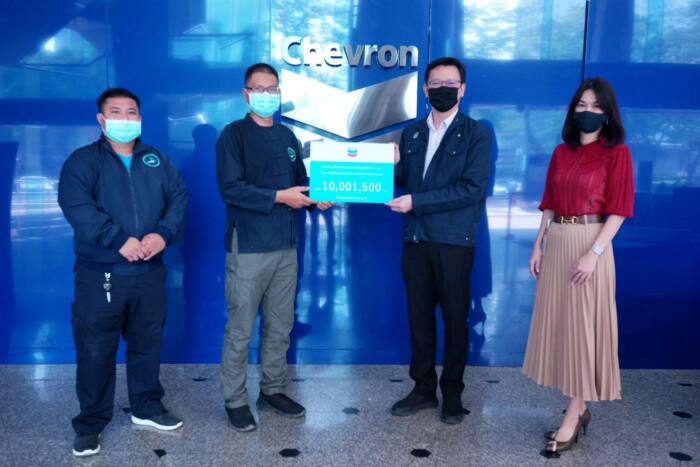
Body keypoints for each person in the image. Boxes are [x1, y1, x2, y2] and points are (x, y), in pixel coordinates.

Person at [58, 88, 188, 457]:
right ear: (101, 119)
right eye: (116, 112)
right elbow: (77, 207)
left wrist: (162, 235)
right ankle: (90, 423)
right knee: (95, 349)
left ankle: (146, 407)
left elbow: (178, 198)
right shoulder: (83, 162)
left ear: (140, 118)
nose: (125, 118)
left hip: (149, 270)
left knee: (147, 342)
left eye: (132, 112)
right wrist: (118, 240)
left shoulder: (156, 159)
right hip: (102, 273)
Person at [216, 63, 333, 432]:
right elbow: (231, 189)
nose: (266, 95)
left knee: (280, 325)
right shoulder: (233, 135)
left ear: (279, 93)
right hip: (249, 245)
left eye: (272, 89)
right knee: (241, 328)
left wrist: (319, 196)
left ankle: (272, 390)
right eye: (259, 89)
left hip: (285, 244)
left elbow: (301, 184)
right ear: (246, 94)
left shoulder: (287, 137)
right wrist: (281, 197)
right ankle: (235, 400)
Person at [522, 77, 634, 454]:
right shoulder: (561, 152)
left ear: (608, 113)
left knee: (584, 330)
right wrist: (538, 244)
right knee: (564, 328)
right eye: (582, 105)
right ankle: (580, 407)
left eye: (596, 106)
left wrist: (594, 253)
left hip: (591, 244)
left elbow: (619, 211)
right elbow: (549, 203)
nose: (588, 112)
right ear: (573, 110)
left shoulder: (617, 154)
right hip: (558, 244)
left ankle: (573, 413)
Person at [387, 57, 491, 425]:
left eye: (450, 83)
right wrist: (392, 167)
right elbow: (408, 181)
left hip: (453, 242)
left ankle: (453, 392)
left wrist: (416, 202)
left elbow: (471, 189)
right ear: (425, 89)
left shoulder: (477, 134)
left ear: (462, 89)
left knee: (455, 319)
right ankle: (423, 388)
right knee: (419, 318)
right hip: (416, 240)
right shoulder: (412, 133)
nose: (442, 88)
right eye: (435, 83)